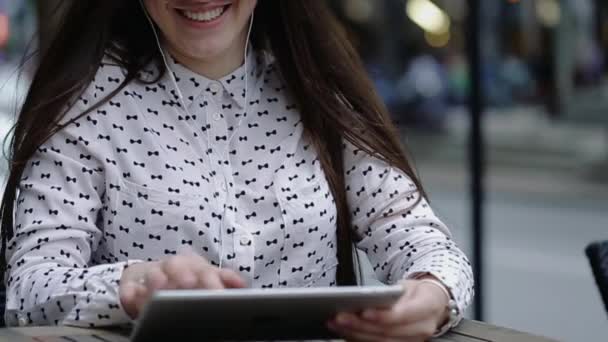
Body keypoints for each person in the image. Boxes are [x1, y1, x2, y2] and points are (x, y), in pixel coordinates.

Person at [1, 1, 474, 340]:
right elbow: (30, 287)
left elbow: (422, 242)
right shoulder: (84, 108)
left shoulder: (317, 94)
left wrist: (431, 296)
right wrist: (135, 284)